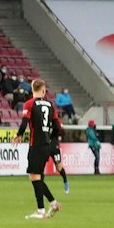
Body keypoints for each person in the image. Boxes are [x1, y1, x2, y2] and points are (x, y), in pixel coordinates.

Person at [21, 79, 64, 219]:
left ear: (32, 89)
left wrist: (19, 135)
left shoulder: (30, 103)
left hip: (36, 144)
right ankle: (52, 204)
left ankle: (42, 210)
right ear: (43, 90)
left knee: (34, 177)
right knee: (38, 177)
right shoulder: (50, 105)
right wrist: (51, 139)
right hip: (46, 145)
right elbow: (58, 127)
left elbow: (24, 122)